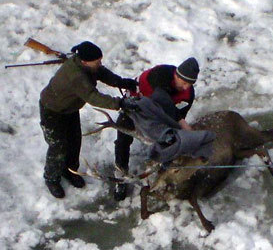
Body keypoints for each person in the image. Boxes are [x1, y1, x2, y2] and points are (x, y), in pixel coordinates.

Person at [39, 41, 138, 199]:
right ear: (85, 61)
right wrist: (120, 103)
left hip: (69, 109)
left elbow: (102, 72)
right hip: (53, 110)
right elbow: (92, 96)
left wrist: (120, 82)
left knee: (74, 141)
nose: (100, 63)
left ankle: (70, 170)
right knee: (58, 146)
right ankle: (52, 178)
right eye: (97, 61)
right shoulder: (76, 76)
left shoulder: (88, 66)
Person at [114, 57, 200, 201]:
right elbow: (162, 99)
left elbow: (176, 120)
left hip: (158, 116)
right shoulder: (159, 75)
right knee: (123, 138)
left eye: (190, 84)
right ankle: (120, 176)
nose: (186, 87)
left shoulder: (188, 95)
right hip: (135, 107)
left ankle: (163, 171)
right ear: (176, 75)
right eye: (184, 82)